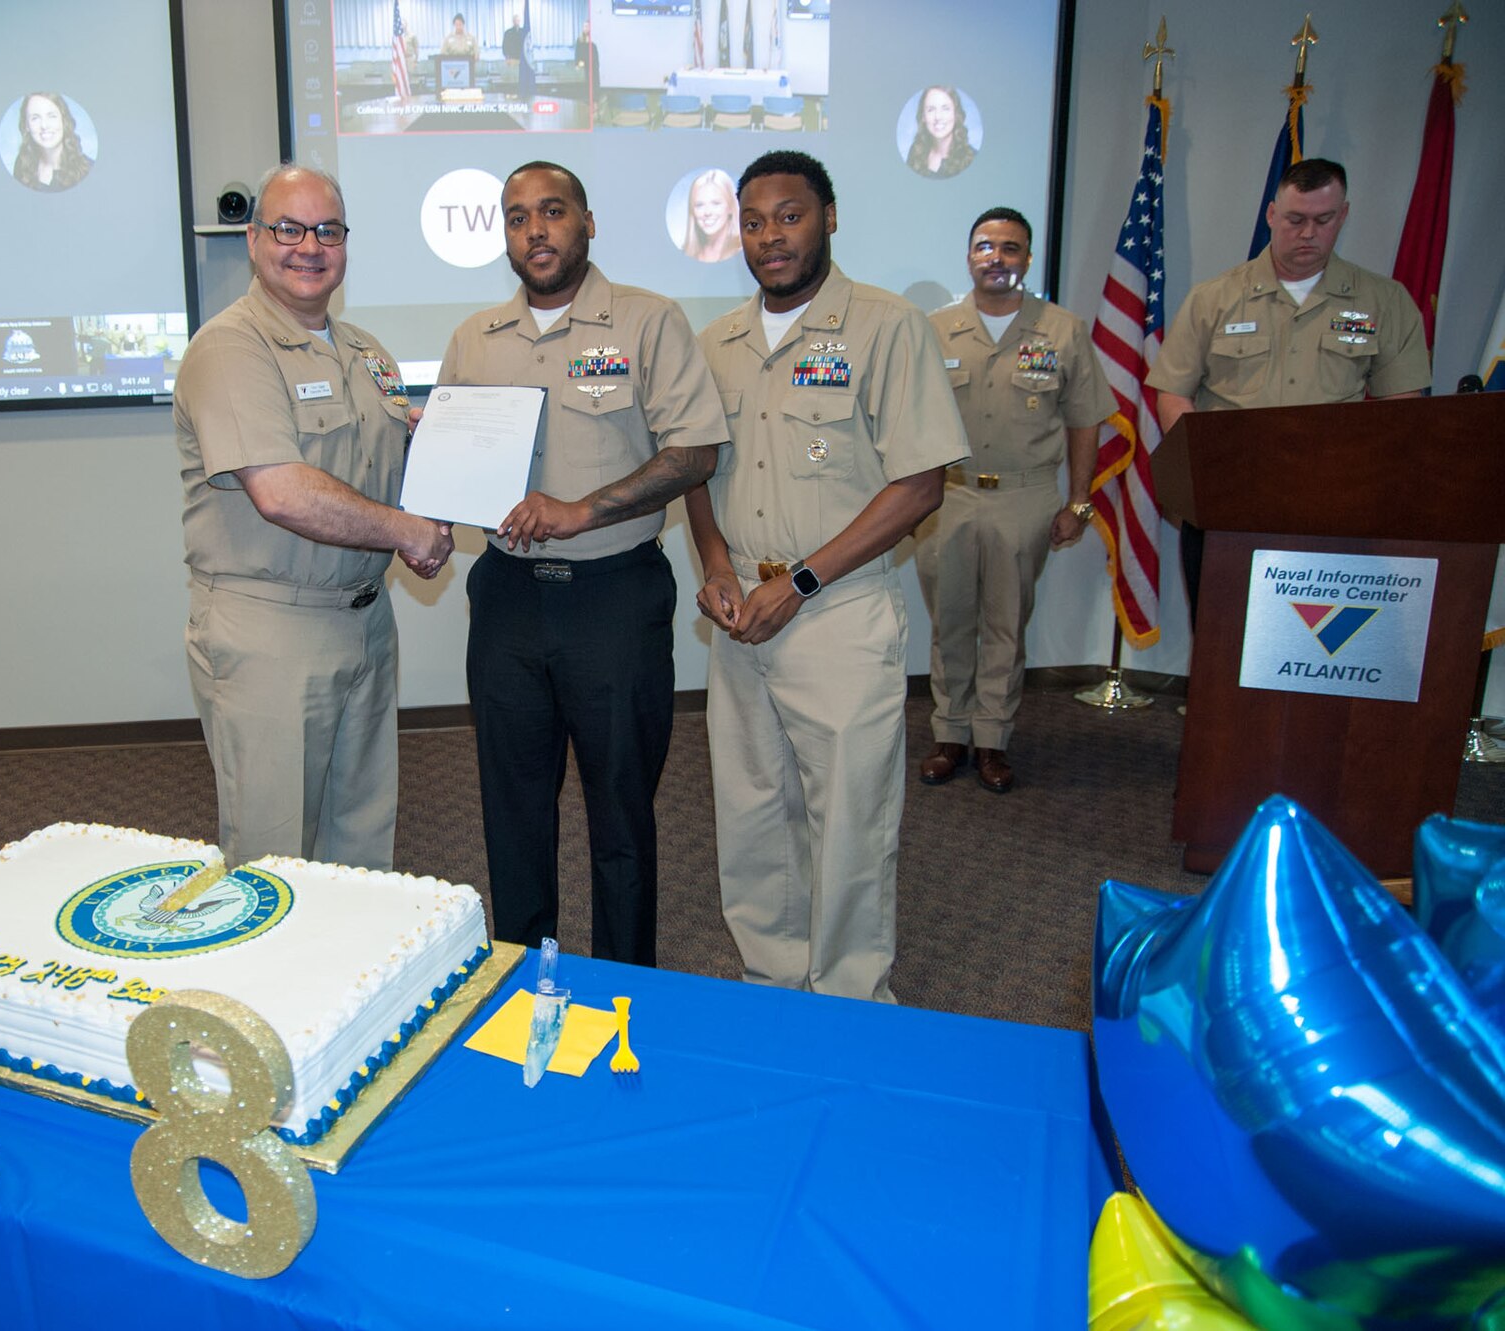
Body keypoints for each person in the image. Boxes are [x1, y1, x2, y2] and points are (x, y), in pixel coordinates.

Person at [686, 149, 967, 1001]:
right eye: (754, 220)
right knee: (753, 816)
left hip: (837, 612)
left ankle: (850, 998)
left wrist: (798, 583)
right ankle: (771, 982)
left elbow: (920, 482)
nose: (771, 237)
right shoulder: (716, 344)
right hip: (741, 625)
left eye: (790, 215)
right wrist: (713, 561)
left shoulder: (886, 328)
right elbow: (695, 470)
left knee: (850, 823)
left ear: (831, 217)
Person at [435, 160, 728, 967]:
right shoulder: (474, 339)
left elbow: (696, 451)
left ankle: (627, 987)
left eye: (553, 211)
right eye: (518, 215)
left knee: (621, 813)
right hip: (507, 601)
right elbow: (455, 467)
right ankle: (521, 980)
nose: (536, 229)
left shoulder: (646, 321)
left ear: (588, 223)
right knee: (513, 809)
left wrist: (582, 509)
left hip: (613, 599)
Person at [175, 163, 452, 871]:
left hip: (364, 622)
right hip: (272, 632)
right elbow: (282, 491)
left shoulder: (367, 354)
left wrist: (442, 456)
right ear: (254, 239)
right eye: (289, 229)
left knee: (361, 845)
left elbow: (385, 470)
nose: (309, 246)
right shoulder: (231, 348)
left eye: (327, 230)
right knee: (272, 857)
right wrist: (408, 531)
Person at [1146, 158, 1429, 622]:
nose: (1308, 233)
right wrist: (1207, 472)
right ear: (1272, 214)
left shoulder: (1383, 300)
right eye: (1296, 220)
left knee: (1313, 647)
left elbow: (1403, 408)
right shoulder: (1214, 298)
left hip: (1334, 508)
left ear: (1344, 215)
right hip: (1229, 507)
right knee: (1221, 639)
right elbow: (1173, 392)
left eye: (1323, 220)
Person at [916, 207, 1112, 794]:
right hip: (947, 497)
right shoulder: (933, 329)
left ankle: (993, 739)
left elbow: (1084, 422)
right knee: (949, 622)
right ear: (969, 255)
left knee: (1006, 624)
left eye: (1009, 248)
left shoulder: (1064, 330)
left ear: (1027, 259)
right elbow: (906, 421)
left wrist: (1078, 503)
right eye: (985, 246)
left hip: (1025, 499)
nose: (996, 258)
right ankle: (950, 734)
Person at [12, 92, 94, 192]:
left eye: (52, 116)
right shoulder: (21, 165)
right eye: (35, 118)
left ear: (64, 121)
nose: (44, 126)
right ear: (27, 126)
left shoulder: (88, 169)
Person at [905, 85, 974, 179]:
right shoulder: (915, 152)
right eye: (931, 110)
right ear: (923, 117)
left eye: (945, 109)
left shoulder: (971, 158)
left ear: (956, 114)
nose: (938, 117)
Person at [681, 169, 739, 264]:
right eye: (699, 205)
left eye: (716, 203)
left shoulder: (743, 251)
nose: (707, 212)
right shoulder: (686, 253)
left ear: (730, 207)